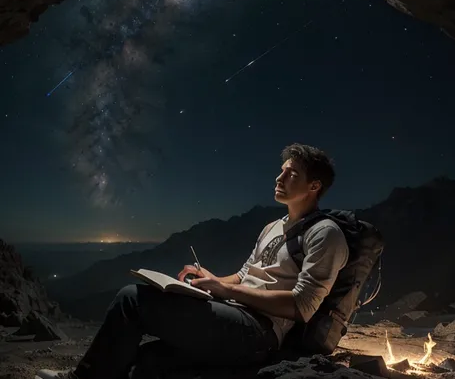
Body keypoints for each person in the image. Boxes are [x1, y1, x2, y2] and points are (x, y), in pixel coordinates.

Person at [36, 144, 349, 379]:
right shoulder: (272, 227)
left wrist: (225, 292)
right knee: (143, 360)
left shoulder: (325, 233)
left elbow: (302, 306)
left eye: (290, 174)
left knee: (132, 300)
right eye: (281, 170)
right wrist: (210, 279)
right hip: (233, 316)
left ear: (314, 186)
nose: (279, 177)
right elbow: (242, 276)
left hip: (260, 332)